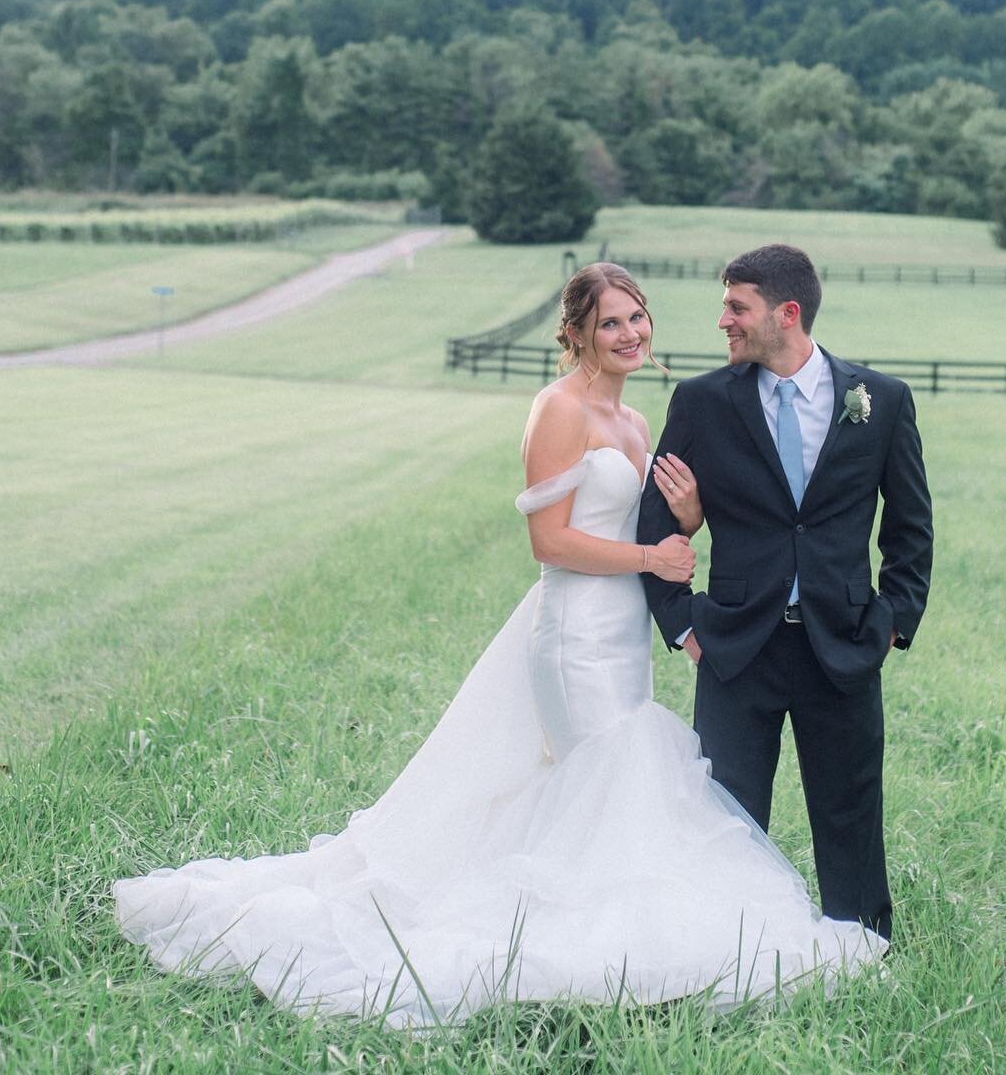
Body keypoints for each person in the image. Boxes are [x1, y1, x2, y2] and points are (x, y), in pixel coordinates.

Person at [113, 262, 885, 1025]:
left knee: (601, 789)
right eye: (609, 322)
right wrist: (654, 558)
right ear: (577, 333)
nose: (629, 333)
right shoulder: (557, 409)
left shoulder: (636, 421)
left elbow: (645, 525)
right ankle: (571, 938)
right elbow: (550, 541)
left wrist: (680, 527)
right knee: (605, 771)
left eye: (636, 317)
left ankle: (612, 927)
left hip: (621, 633)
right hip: (574, 632)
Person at [637, 243, 933, 946]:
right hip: (737, 646)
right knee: (727, 815)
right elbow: (655, 528)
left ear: (787, 313)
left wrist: (891, 621)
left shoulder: (880, 401)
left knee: (850, 813)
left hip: (844, 645)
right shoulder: (703, 402)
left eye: (737, 307)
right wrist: (684, 628)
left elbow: (912, 529)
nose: (724, 322)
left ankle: (863, 950)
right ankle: (723, 950)